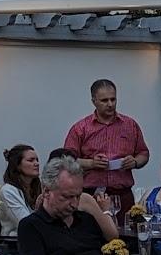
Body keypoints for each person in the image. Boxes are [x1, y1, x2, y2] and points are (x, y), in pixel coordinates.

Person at [63, 78, 149, 224]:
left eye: (113, 99)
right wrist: (91, 163)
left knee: (124, 235)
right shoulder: (81, 128)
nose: (110, 104)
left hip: (122, 194)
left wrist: (134, 162)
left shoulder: (130, 125)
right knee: (91, 235)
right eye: (104, 100)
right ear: (93, 101)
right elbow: (66, 160)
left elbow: (144, 154)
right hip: (91, 194)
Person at [17, 155, 110, 255]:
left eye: (78, 196)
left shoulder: (87, 220)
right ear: (47, 191)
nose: (74, 204)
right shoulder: (32, 226)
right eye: (67, 197)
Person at [0, 145, 42, 236]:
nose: (36, 163)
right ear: (17, 165)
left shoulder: (39, 188)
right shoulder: (8, 191)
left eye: (37, 160)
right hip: (15, 244)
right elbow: (25, 224)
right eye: (31, 160)